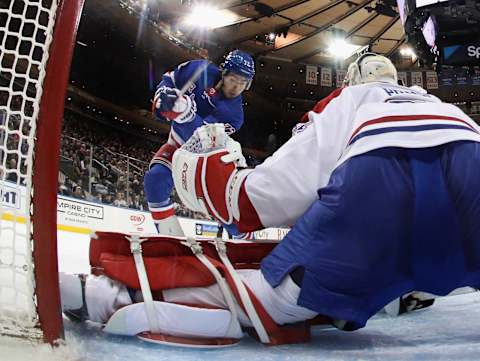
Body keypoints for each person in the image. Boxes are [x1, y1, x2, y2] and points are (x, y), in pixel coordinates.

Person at [59, 53, 480, 343]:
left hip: (377, 186)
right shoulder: (449, 108)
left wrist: (230, 191)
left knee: (273, 299)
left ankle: (114, 298)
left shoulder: (349, 99)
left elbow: (279, 192)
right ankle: (411, 291)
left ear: (351, 80)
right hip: (471, 169)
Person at [144, 49, 255, 237]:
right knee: (155, 180)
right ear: (223, 73)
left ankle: (244, 239)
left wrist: (185, 113)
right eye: (234, 80)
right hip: (178, 144)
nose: (237, 88)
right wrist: (163, 95)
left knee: (221, 208)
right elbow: (170, 79)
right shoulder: (199, 69)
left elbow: (202, 139)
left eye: (243, 83)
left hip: (207, 161)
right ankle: (170, 238)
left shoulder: (235, 115)